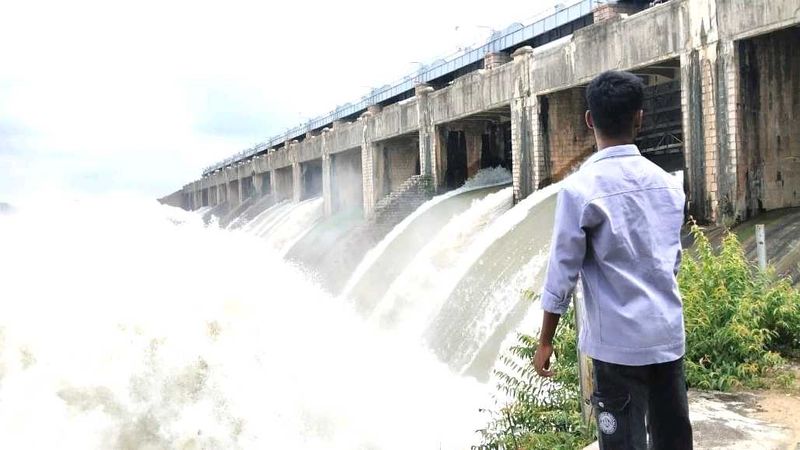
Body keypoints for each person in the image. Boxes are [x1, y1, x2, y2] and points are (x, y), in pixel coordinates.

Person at [532, 70, 692, 449]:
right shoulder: (670, 185)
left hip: (617, 347)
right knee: (673, 440)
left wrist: (545, 341)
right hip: (666, 336)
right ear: (640, 118)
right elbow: (671, 262)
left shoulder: (579, 190)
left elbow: (562, 272)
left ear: (590, 120)